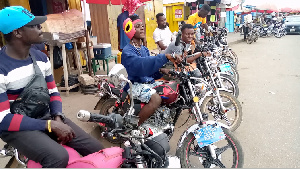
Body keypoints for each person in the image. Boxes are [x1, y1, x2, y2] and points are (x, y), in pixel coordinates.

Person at [0, 6, 104, 168]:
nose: (40, 28)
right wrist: (50, 125)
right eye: (33, 25)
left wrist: (57, 117)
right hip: (16, 127)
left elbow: (53, 93)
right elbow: (4, 120)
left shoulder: (41, 58)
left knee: (96, 149)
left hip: (45, 116)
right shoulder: (2, 68)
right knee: (57, 157)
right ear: (17, 33)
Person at [121, 15, 182, 125]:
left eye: (142, 26)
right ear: (130, 30)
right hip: (134, 84)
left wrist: (162, 71)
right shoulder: (127, 51)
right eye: (137, 26)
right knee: (156, 99)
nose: (142, 28)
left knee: (170, 88)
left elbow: (149, 70)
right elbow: (141, 66)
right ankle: (133, 126)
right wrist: (165, 57)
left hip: (147, 82)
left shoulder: (144, 49)